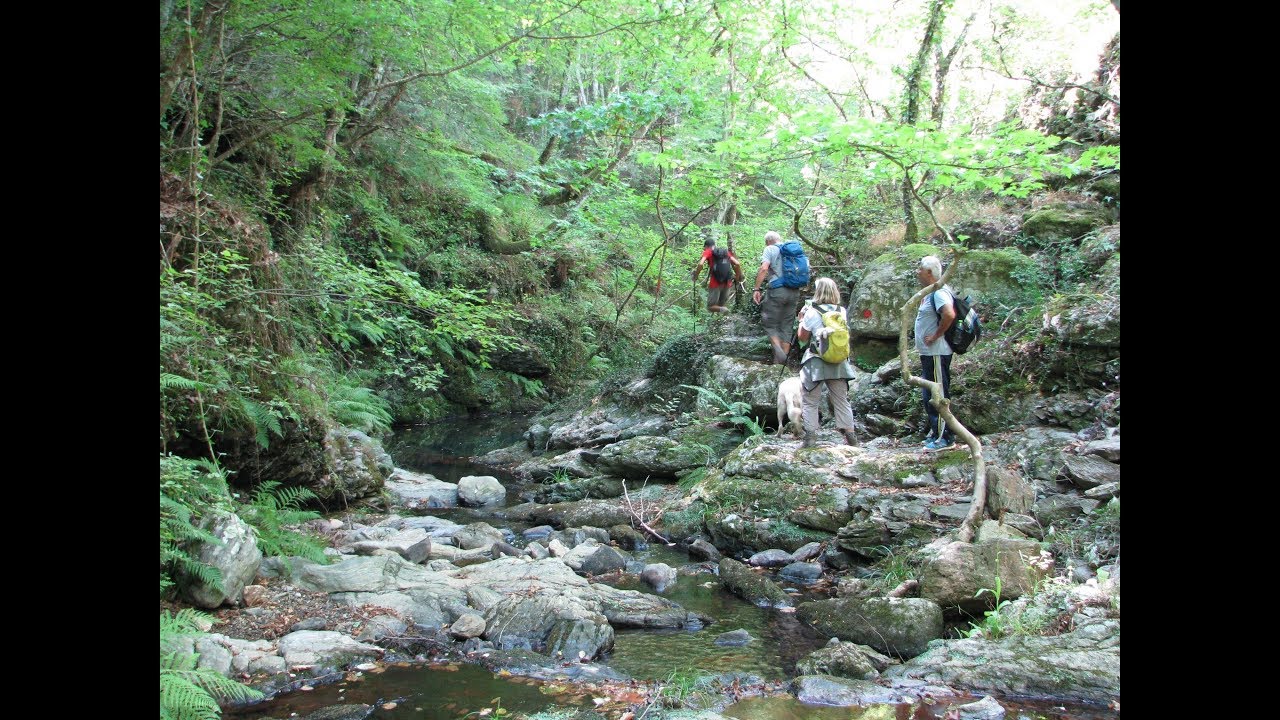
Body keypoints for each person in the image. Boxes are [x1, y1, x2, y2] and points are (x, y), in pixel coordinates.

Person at [794, 277, 858, 448]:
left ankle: (810, 438)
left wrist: (801, 319)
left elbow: (802, 338)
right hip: (839, 362)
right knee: (841, 400)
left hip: (816, 361)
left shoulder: (812, 312)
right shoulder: (841, 311)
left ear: (818, 292)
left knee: (810, 401)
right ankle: (851, 437)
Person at [915, 255, 957, 451]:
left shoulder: (939, 292)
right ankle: (935, 431)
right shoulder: (930, 292)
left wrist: (935, 335)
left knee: (938, 394)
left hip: (937, 352)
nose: (917, 272)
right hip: (929, 354)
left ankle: (944, 437)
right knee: (929, 394)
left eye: (920, 269)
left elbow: (949, 314)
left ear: (929, 272)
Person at [751, 231, 800, 364]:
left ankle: (779, 353)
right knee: (786, 326)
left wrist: (756, 289)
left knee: (769, 323)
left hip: (777, 292)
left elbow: (764, 269)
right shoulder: (794, 251)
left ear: (767, 242)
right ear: (780, 239)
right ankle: (780, 365)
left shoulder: (770, 249)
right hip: (795, 292)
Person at [690, 239, 744, 313]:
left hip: (715, 283)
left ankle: (725, 311)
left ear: (706, 246)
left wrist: (696, 275)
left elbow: (700, 264)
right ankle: (725, 319)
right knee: (721, 305)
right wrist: (737, 277)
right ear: (714, 245)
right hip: (727, 282)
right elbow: (737, 263)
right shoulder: (725, 252)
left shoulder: (708, 251)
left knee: (710, 307)